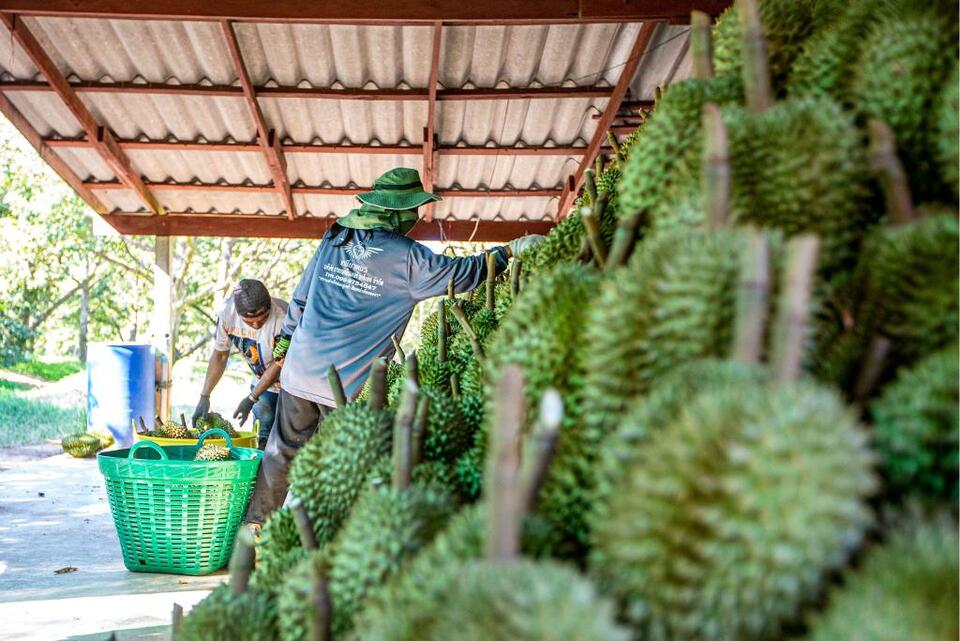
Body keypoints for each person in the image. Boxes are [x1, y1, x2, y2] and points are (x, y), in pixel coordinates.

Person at [243, 167, 544, 525]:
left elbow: (300, 298)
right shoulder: (408, 256)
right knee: (341, 469)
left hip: (300, 371)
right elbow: (462, 273)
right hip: (348, 386)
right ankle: (324, 541)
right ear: (399, 212)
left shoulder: (336, 236)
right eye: (412, 210)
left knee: (281, 454)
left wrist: (285, 344)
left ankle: (255, 528)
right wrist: (510, 251)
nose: (415, 217)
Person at [192, 279, 288, 449]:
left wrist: (251, 398)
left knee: (289, 441)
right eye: (249, 321)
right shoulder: (227, 312)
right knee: (262, 440)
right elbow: (221, 355)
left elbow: (279, 363)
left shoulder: (283, 317)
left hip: (292, 386)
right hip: (263, 384)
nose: (257, 325)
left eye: (262, 318)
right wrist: (204, 396)